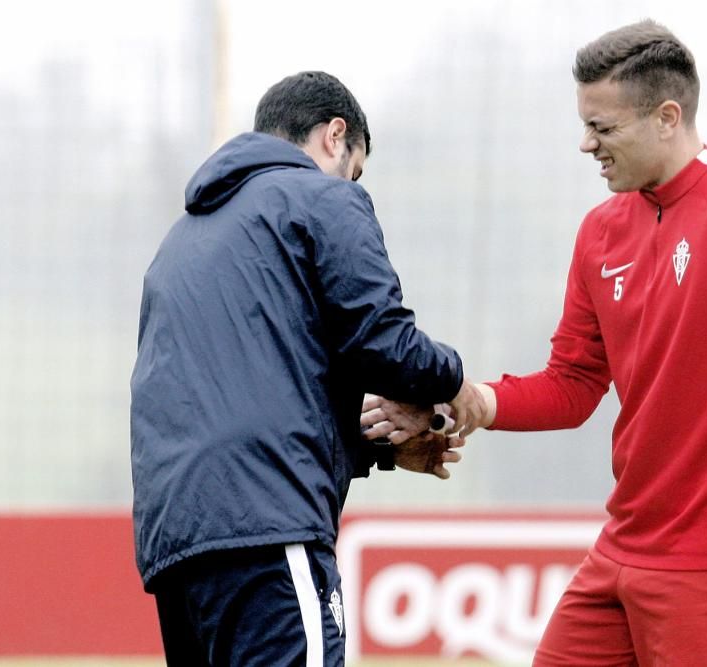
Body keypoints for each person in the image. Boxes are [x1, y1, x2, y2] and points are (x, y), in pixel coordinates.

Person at [361, 20, 707, 666]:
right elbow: (574, 384)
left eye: (603, 128)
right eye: (585, 125)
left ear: (667, 117)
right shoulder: (600, 231)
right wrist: (464, 398)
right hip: (625, 546)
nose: (586, 145)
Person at [130, 70, 486, 666]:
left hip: (178, 546)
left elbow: (250, 387)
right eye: (357, 167)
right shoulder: (322, 196)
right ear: (335, 136)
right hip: (269, 530)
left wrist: (380, 448)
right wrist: (456, 386)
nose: (354, 181)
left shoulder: (182, 240)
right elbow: (382, 339)